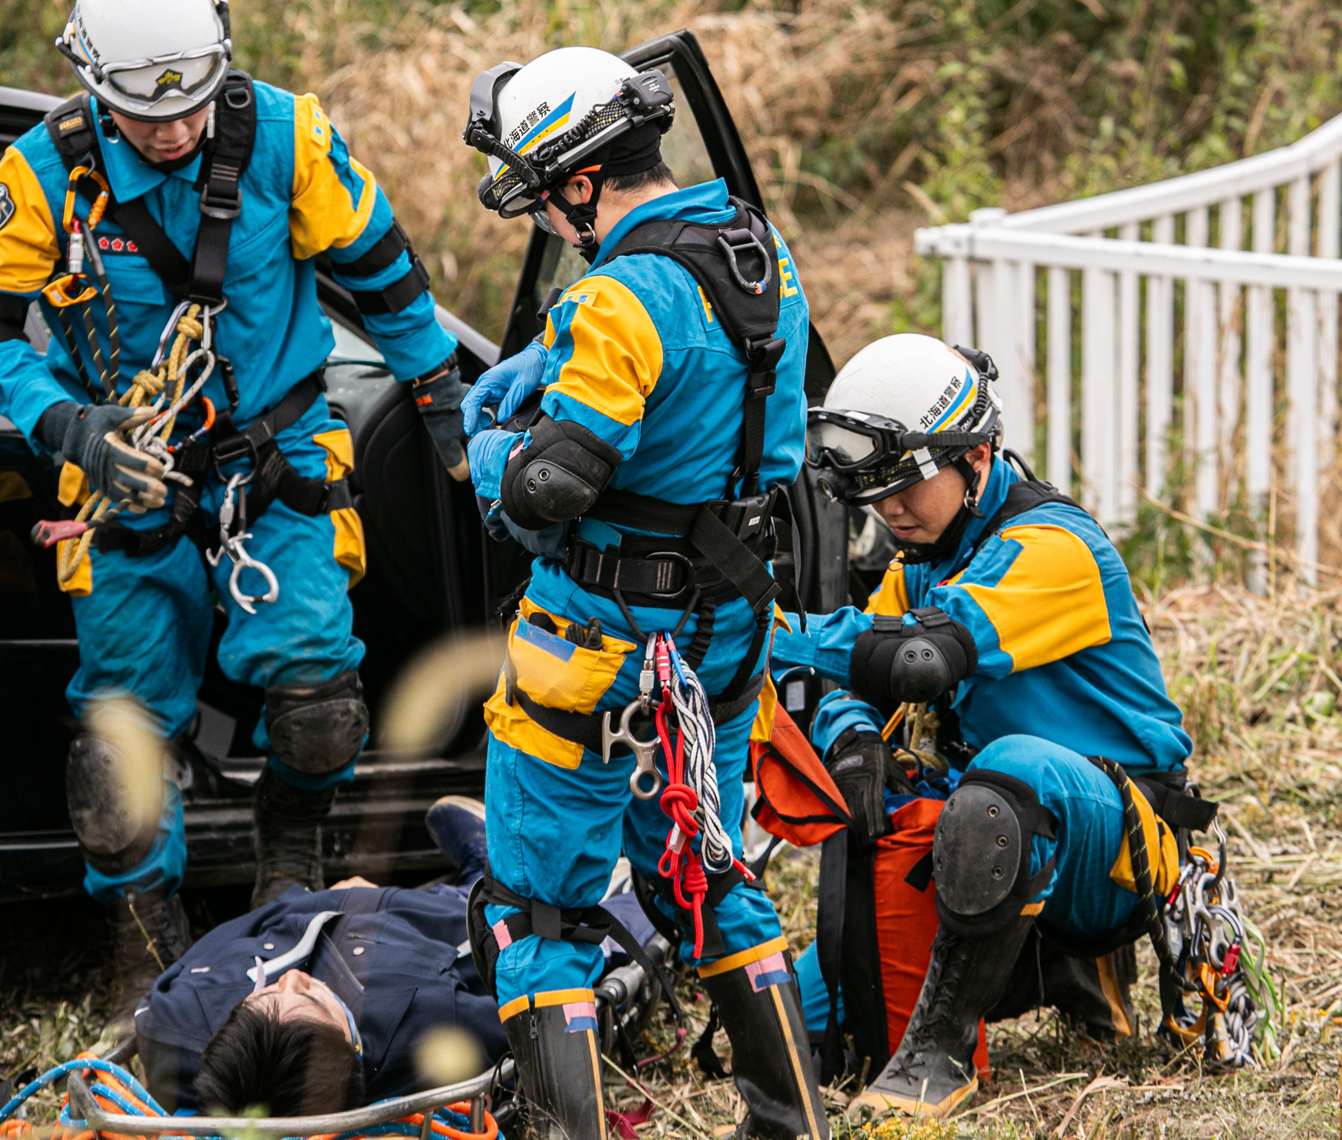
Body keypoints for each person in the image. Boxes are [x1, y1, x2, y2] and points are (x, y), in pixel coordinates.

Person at [0, 0, 470, 1025]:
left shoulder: (285, 139)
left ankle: (287, 880)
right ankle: (147, 953)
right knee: (119, 742)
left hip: (279, 460)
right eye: (145, 114)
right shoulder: (44, 174)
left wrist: (440, 398)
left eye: (188, 107)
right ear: (95, 85)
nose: (173, 130)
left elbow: (386, 277)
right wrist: (69, 426)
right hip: (121, 479)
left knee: (320, 702)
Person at [459, 47, 829, 1140]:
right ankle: (789, 1122)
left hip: (602, 631)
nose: (546, 219)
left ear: (579, 183)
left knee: (540, 903)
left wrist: (489, 442)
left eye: (541, 194)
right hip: (720, 631)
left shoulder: (619, 297)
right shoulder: (759, 256)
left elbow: (549, 486)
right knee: (704, 864)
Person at [774, 333, 1207, 1119]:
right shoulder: (919, 559)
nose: (889, 510)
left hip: (1111, 843)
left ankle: (938, 1058)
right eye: (871, 493)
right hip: (989, 826)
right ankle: (1051, 973)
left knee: (1007, 772)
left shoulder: (1055, 547)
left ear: (974, 457)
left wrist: (767, 636)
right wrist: (852, 735)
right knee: (794, 1029)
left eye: (905, 484)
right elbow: (860, 677)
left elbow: (917, 662)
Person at [139, 795, 657, 1116]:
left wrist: (319, 900)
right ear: (353, 1056)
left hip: (348, 907)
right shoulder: (431, 1027)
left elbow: (243, 929)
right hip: (443, 933)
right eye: (313, 1002)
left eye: (262, 997)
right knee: (575, 924)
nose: (293, 980)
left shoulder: (172, 1025)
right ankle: (633, 886)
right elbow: (537, 1002)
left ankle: (485, 868)